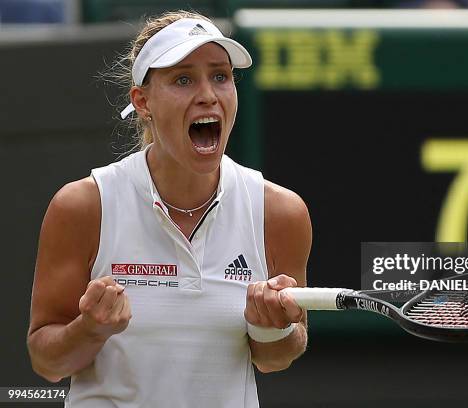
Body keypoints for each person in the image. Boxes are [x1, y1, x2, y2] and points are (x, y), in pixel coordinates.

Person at [26, 10, 311, 407]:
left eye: (220, 76)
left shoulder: (281, 212)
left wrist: (271, 329)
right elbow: (46, 360)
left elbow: (277, 356)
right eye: (182, 79)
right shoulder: (83, 205)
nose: (208, 95)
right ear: (143, 102)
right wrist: (90, 329)